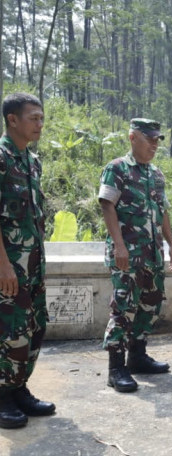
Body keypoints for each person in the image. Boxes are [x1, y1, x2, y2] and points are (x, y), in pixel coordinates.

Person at [98, 118, 172, 393]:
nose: (155, 144)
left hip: (152, 254)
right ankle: (115, 367)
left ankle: (138, 356)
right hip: (127, 254)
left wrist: (171, 244)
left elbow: (164, 211)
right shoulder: (117, 169)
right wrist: (119, 246)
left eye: (157, 140)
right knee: (123, 308)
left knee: (150, 304)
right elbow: (108, 206)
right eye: (150, 139)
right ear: (133, 138)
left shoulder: (155, 174)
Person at [0, 92, 55, 428]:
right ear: (12, 120)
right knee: (10, 331)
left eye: (41, 118)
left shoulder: (31, 161)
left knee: (35, 326)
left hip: (33, 265)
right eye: (33, 118)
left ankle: (19, 387)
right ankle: (3, 395)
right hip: (9, 265)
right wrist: (4, 264)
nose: (39, 124)